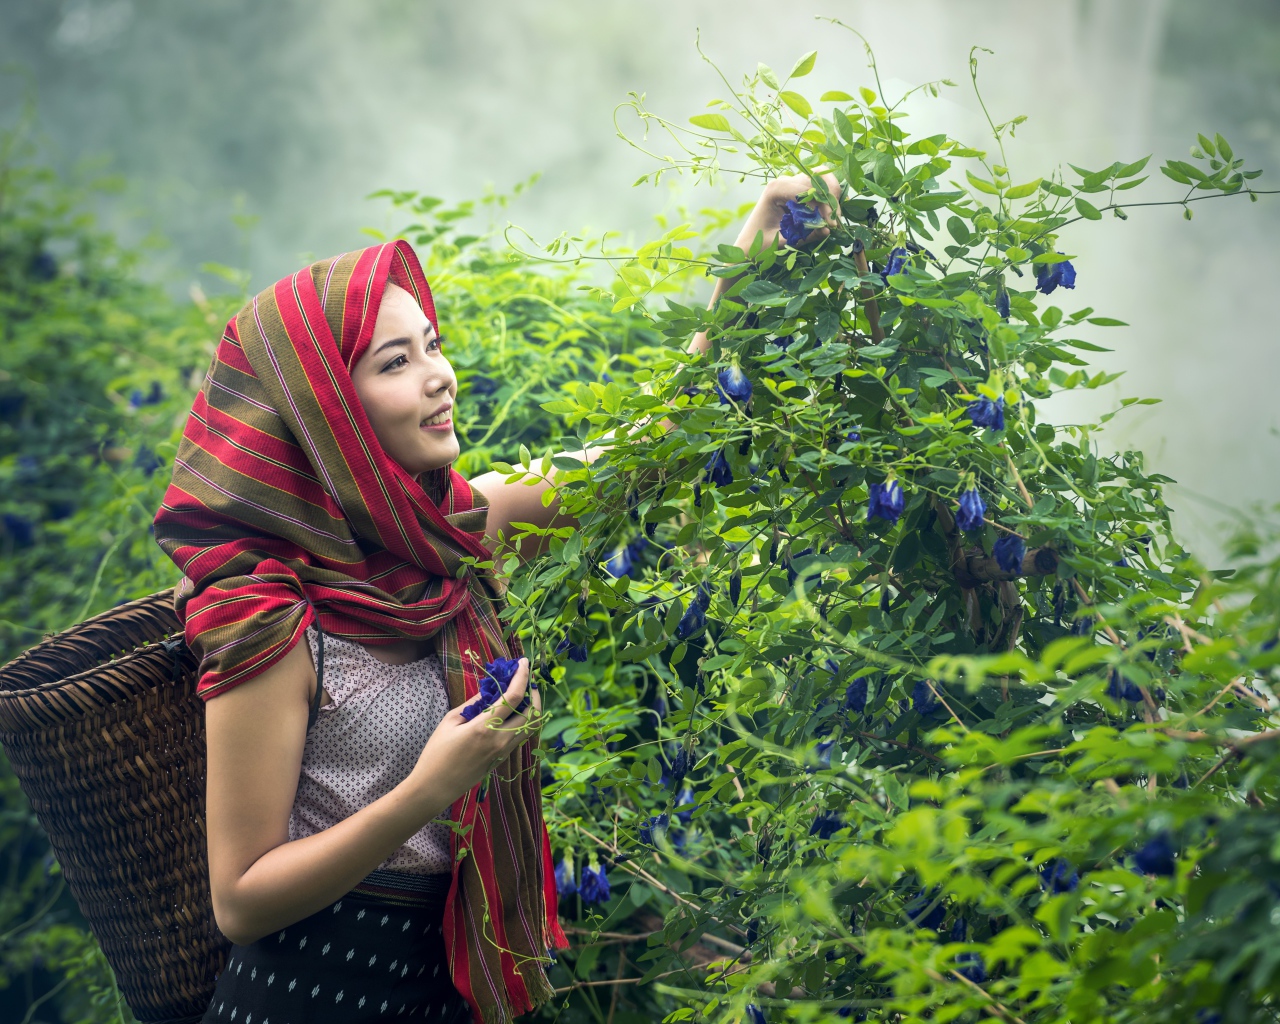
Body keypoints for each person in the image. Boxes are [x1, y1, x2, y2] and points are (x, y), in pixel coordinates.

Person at [152, 173, 829, 1023]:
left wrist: (759, 245)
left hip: (444, 987)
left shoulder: (456, 529)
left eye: (432, 345)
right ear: (325, 413)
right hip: (313, 992)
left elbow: (663, 443)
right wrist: (426, 794)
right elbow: (241, 899)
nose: (439, 376)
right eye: (396, 362)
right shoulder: (267, 612)